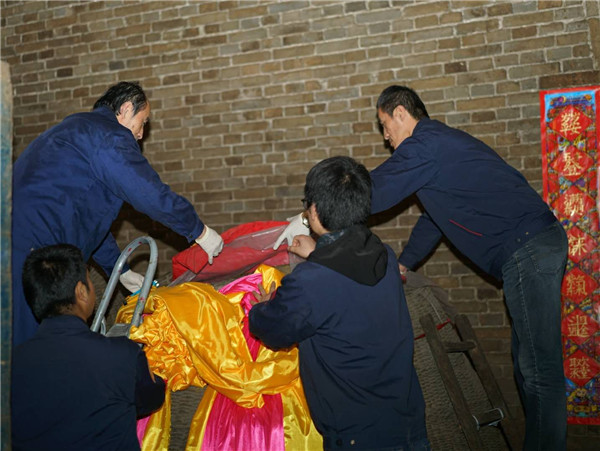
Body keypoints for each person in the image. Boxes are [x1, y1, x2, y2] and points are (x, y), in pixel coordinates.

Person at [275, 85, 568, 450]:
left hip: (528, 248)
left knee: (539, 371)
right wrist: (403, 263)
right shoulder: (438, 152)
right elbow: (434, 221)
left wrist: (313, 214)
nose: (385, 137)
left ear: (400, 113)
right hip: (532, 247)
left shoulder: (425, 144)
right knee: (529, 367)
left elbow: (373, 194)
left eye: (384, 125)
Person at [12, 81, 223, 346]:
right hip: (33, 249)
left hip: (23, 239)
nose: (141, 134)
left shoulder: (80, 130)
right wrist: (199, 231)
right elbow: (149, 192)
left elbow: (89, 220)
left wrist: (119, 270)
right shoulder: (109, 135)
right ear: (125, 109)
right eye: (142, 122)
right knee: (28, 345)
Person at [251, 156, 429, 451]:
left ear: (314, 211)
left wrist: (261, 307)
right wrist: (318, 254)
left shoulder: (311, 281)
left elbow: (273, 330)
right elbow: (345, 282)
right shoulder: (384, 256)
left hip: (358, 437)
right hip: (407, 426)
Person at [11, 244, 166, 450]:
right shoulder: (122, 355)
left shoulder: (11, 366)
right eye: (89, 281)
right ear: (81, 292)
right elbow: (152, 398)